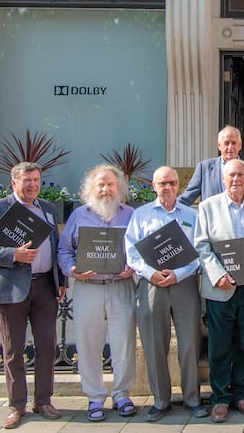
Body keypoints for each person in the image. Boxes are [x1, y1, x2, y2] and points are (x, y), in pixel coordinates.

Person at [0, 162, 66, 429]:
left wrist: (63, 281)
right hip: (12, 288)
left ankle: (44, 401)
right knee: (14, 350)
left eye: (36, 180)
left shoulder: (48, 209)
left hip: (46, 287)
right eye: (27, 180)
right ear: (14, 182)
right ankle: (17, 406)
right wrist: (13, 255)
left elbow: (56, 246)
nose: (33, 185)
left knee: (47, 347)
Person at [194, 159, 244, 423]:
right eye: (231, 175)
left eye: (241, 174)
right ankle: (219, 398)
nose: (236, 179)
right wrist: (218, 276)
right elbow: (202, 246)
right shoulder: (207, 207)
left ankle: (241, 394)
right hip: (221, 289)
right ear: (223, 179)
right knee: (219, 345)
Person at [124, 166, 207, 421]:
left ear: (179, 186)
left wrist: (178, 274)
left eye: (172, 183)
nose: (168, 187)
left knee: (189, 344)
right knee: (154, 344)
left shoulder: (192, 215)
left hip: (184, 284)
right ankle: (161, 400)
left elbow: (200, 251)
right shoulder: (141, 215)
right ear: (153, 186)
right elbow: (131, 252)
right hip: (152, 286)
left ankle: (192, 398)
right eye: (162, 183)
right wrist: (151, 274)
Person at [57, 164, 137, 421]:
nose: (105, 189)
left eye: (110, 184)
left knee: (123, 343)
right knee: (88, 344)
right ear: (91, 188)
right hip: (88, 288)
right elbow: (63, 250)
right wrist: (72, 269)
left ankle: (122, 394)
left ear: (119, 188)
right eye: (100, 184)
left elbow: (140, 247)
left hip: (120, 286)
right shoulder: (79, 216)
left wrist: (132, 266)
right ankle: (94, 397)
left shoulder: (130, 215)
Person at [178, 125, 244, 206]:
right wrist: (169, 211)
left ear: (240, 145)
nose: (230, 147)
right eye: (226, 143)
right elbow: (187, 198)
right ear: (219, 146)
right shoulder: (204, 168)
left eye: (234, 143)